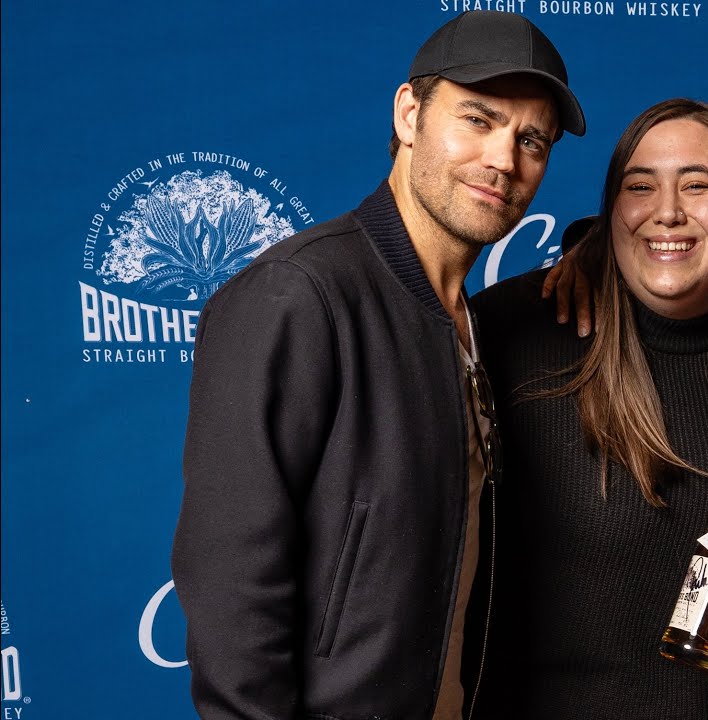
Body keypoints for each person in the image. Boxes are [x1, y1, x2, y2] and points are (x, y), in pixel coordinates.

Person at [170, 11, 584, 719]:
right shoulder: (299, 296)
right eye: (478, 120)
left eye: (532, 140)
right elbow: (232, 591)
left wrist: (595, 243)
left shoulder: (469, 322)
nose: (504, 160)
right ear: (409, 113)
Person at [467, 99, 708, 720]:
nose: (667, 211)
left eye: (697, 185)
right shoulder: (517, 334)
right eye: (640, 188)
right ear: (613, 213)